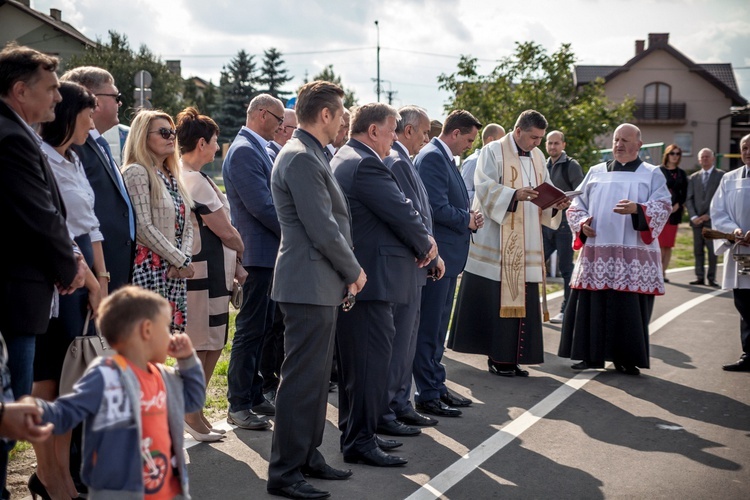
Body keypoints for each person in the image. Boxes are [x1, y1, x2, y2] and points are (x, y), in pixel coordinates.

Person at [268, 81, 366, 500]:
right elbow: (322, 227)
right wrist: (354, 270)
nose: (345, 118)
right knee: (302, 381)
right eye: (341, 112)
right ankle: (285, 471)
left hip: (315, 282)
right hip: (308, 282)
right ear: (324, 114)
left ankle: (307, 456)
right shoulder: (301, 157)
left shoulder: (309, 153)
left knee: (312, 378)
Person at [0, 42, 85, 496]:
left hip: (25, 291)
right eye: (51, 88)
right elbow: (40, 214)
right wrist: (70, 265)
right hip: (16, 296)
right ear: (19, 91)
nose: (58, 96)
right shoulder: (12, 137)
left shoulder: (18, 132)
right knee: (7, 417)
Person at [28, 285, 206, 499]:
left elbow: (194, 400)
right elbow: (67, 410)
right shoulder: (104, 376)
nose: (170, 335)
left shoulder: (163, 376)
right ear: (146, 331)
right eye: (165, 328)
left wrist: (187, 361)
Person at [332, 103, 435, 467]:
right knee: (368, 366)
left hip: (367, 278)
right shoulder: (365, 163)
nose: (396, 136)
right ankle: (360, 441)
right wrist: (428, 245)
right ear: (373, 130)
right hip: (373, 281)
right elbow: (401, 211)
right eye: (392, 129)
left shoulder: (349, 156)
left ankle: (359, 433)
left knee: (360, 368)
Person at [450, 110, 567, 378]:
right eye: (533, 137)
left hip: (526, 241)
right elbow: (484, 187)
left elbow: (545, 188)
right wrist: (514, 195)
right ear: (518, 131)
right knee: (498, 299)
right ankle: (498, 357)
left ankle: (515, 357)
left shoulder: (537, 156)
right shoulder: (493, 151)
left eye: (540, 138)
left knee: (523, 299)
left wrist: (556, 203)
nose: (538, 143)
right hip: (498, 240)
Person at [32, 81, 105, 500]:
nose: (92, 120)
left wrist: (103, 279)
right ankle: (53, 478)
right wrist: (93, 282)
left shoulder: (73, 160)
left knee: (71, 387)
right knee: (49, 387)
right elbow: (58, 229)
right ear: (68, 115)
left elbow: (90, 224)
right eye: (88, 113)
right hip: (58, 285)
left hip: (85, 286)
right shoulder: (41, 157)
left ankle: (57, 476)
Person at [558, 123, 672, 375]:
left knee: (627, 306)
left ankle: (626, 358)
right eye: (616, 139)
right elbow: (576, 205)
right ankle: (589, 356)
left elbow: (664, 206)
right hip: (598, 249)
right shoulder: (596, 171)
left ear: (639, 145)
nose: (619, 144)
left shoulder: (651, 173)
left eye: (625, 140)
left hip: (632, 252)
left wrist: (638, 210)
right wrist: (583, 224)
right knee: (592, 303)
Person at [177, 107, 246, 442]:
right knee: (205, 344)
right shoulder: (193, 180)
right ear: (201, 143)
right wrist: (242, 249)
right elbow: (227, 232)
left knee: (210, 343)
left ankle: (195, 410)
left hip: (212, 273)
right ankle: (191, 412)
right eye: (216, 142)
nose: (218, 148)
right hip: (205, 277)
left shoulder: (191, 176)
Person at [379, 106, 445, 434]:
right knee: (401, 341)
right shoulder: (397, 161)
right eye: (423, 132)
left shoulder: (404, 160)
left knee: (407, 340)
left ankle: (401, 403)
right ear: (408, 132)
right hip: (407, 263)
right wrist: (429, 253)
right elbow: (409, 215)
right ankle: (394, 406)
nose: (427, 138)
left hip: (413, 264)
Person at [413, 110, 483, 418]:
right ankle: (427, 391)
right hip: (437, 257)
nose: (469, 145)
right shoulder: (432, 158)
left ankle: (436, 385)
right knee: (430, 327)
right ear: (455, 133)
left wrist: (467, 216)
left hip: (448, 257)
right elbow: (434, 207)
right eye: (468, 139)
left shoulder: (442, 157)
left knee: (438, 326)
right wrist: (465, 219)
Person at [222, 94, 285, 429]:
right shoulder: (246, 150)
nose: (280, 125)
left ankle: (255, 392)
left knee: (264, 328)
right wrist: (294, 228)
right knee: (250, 330)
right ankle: (239, 402)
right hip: (258, 254)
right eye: (277, 119)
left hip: (268, 253)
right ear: (262, 114)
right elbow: (262, 205)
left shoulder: (259, 147)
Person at [62, 66, 137, 292]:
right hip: (91, 272)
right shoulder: (75, 145)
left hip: (112, 266)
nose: (120, 103)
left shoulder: (98, 144)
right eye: (116, 96)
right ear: (91, 98)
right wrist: (100, 274)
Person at [121, 110, 195, 332]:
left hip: (173, 268)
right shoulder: (136, 172)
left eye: (173, 132)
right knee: (143, 344)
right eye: (164, 132)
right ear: (143, 136)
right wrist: (180, 260)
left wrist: (183, 260)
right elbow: (143, 227)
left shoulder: (172, 175)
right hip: (150, 269)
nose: (171, 137)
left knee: (161, 345)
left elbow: (187, 224)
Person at [710, 133, 750, 372]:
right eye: (745, 147)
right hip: (741, 251)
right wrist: (733, 230)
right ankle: (748, 354)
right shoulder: (729, 178)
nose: (748, 151)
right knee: (744, 301)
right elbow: (718, 211)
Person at [542, 130, 585, 324]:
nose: (552, 147)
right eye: (549, 143)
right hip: (545, 223)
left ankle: (566, 310)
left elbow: (581, 193)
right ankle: (532, 307)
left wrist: (568, 203)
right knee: (535, 264)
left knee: (566, 269)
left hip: (565, 225)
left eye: (556, 143)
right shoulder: (542, 165)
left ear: (563, 145)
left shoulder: (571, 166)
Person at [686, 148, 724, 287]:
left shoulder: (721, 176)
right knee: (698, 250)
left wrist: (709, 214)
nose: (705, 159)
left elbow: (721, 198)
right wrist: (694, 216)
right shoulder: (693, 177)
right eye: (702, 157)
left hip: (712, 221)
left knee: (712, 252)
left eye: (707, 157)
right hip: (696, 221)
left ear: (713, 158)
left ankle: (712, 278)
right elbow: (689, 198)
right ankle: (699, 277)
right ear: (699, 160)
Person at [657, 144, 688, 283]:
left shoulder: (682, 173)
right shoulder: (658, 171)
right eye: (672, 153)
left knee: (668, 245)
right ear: (667, 155)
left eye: (678, 154)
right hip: (660, 212)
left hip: (674, 213)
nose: (675, 156)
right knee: (658, 244)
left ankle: (663, 273)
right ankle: (656, 271)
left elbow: (685, 193)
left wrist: (678, 204)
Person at [461, 123, 505, 205]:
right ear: (491, 140)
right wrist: (491, 197)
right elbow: (464, 193)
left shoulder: (499, 163)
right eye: (501, 142)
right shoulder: (473, 162)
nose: (504, 146)